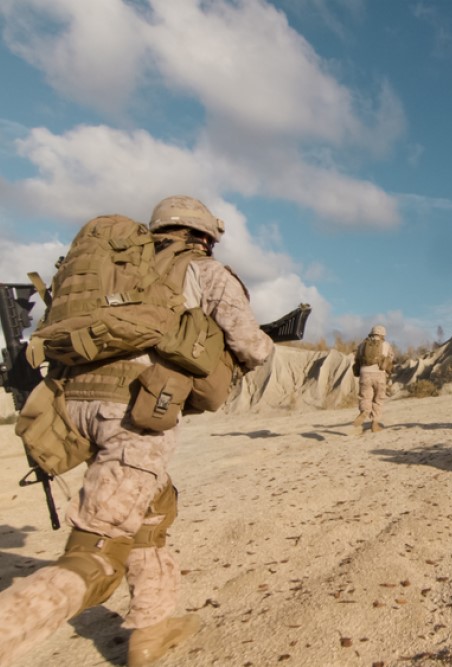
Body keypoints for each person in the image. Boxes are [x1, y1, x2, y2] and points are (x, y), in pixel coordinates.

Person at [0, 196, 275, 667]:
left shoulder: (113, 266)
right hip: (134, 413)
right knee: (97, 553)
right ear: (204, 236)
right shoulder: (203, 271)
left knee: (150, 510)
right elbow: (251, 344)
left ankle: (151, 626)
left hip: (70, 406)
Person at [351, 325, 394, 433]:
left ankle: (364, 411)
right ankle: (375, 423)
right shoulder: (386, 344)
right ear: (382, 335)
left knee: (365, 396)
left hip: (364, 373)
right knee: (378, 399)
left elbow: (356, 359)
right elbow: (391, 358)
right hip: (379, 373)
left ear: (372, 333)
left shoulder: (362, 345)